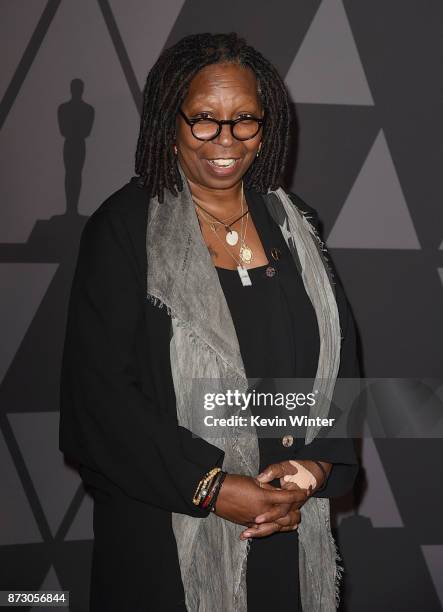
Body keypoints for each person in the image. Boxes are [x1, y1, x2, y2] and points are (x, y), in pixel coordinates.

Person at [59, 32, 359, 612]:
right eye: (204, 120)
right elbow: (97, 400)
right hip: (167, 535)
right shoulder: (123, 230)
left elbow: (338, 360)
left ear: (266, 126)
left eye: (244, 120)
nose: (225, 140)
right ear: (169, 122)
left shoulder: (299, 227)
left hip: (288, 524)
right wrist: (214, 488)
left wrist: (315, 466)